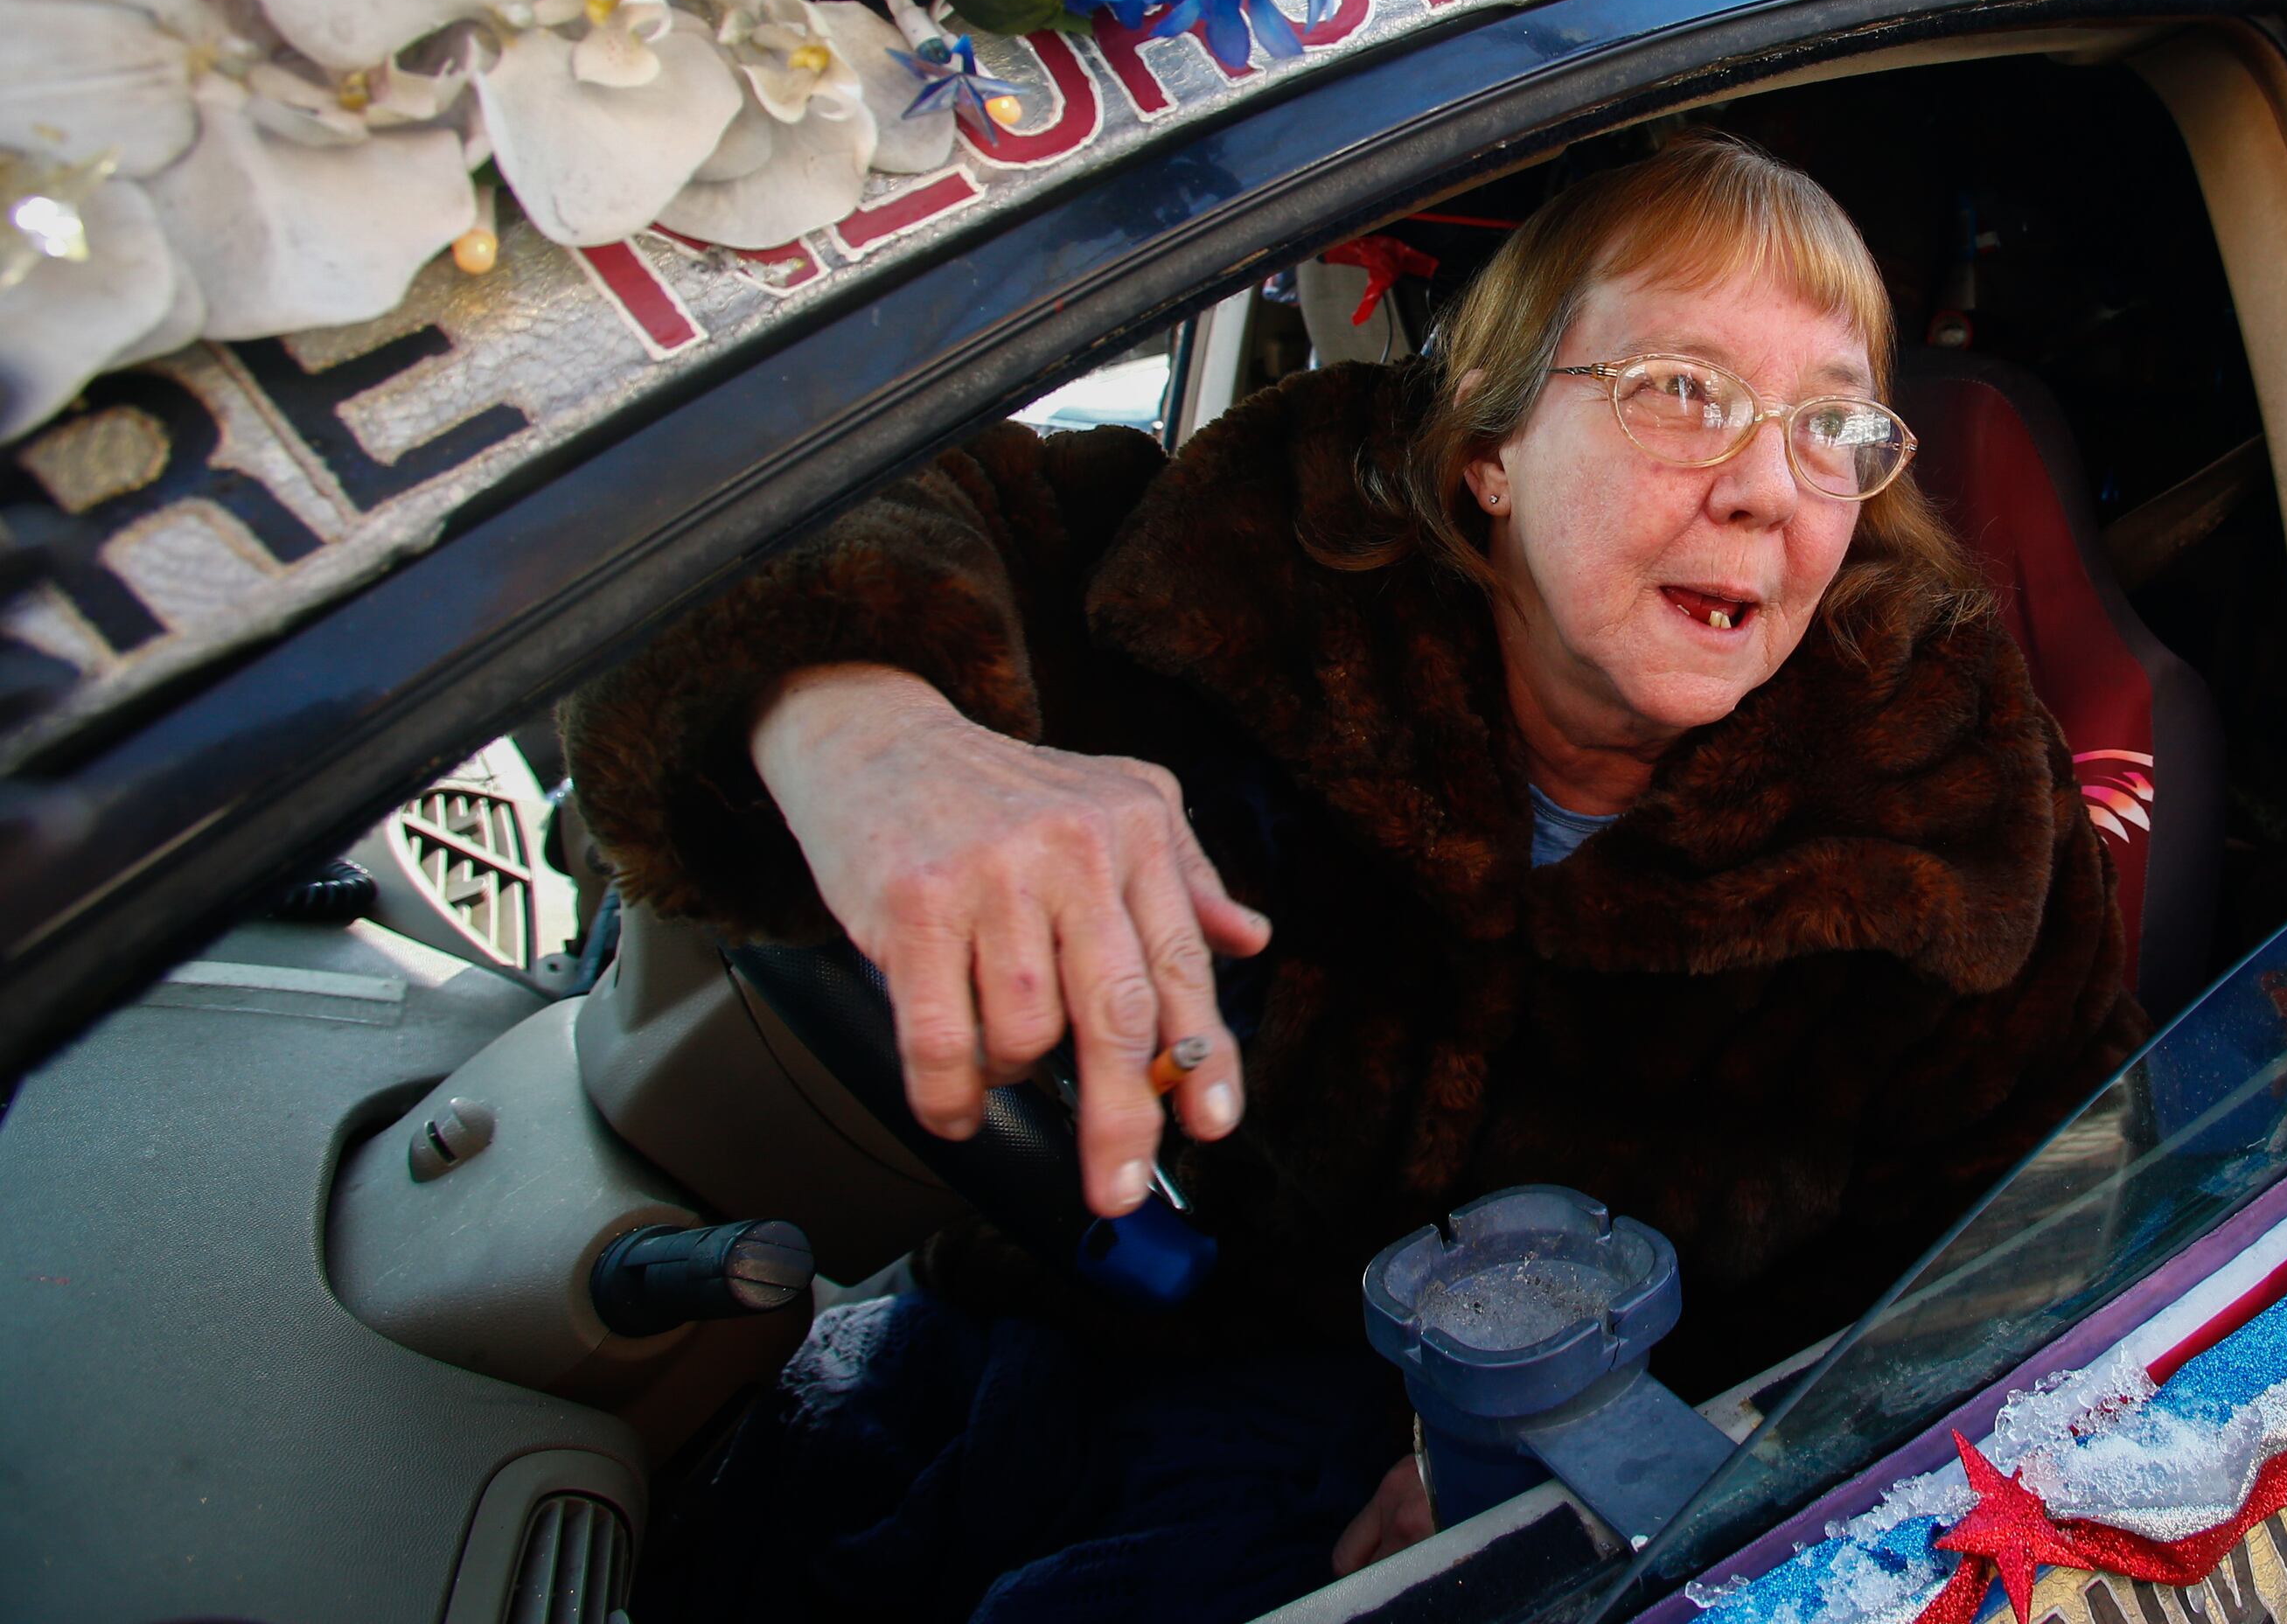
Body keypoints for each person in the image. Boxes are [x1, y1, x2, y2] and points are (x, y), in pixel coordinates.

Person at [564, 136, 2144, 1622]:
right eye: (1683, 389)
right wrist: (865, 718)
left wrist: (1630, 1438)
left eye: (1831, 427)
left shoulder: (1942, 806)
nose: (1766, 490)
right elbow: (737, 473)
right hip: (1098, 1332)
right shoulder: (1247, 579)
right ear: (1490, 453)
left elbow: (2032, 1254)